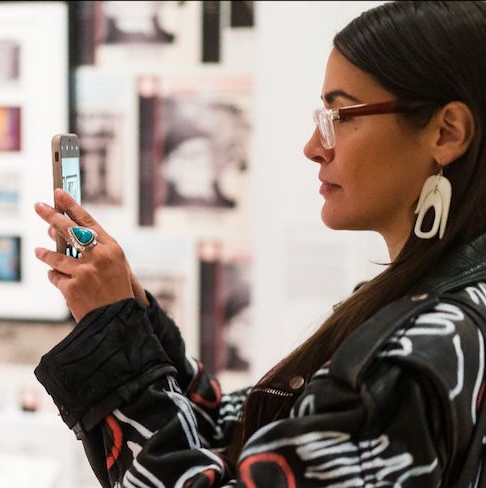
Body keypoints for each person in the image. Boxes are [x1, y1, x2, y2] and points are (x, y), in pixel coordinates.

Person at [33, 2, 486, 486]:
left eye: (339, 114)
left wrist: (115, 338)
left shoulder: (413, 358)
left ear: (446, 132)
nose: (314, 145)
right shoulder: (435, 310)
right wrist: (131, 315)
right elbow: (240, 429)